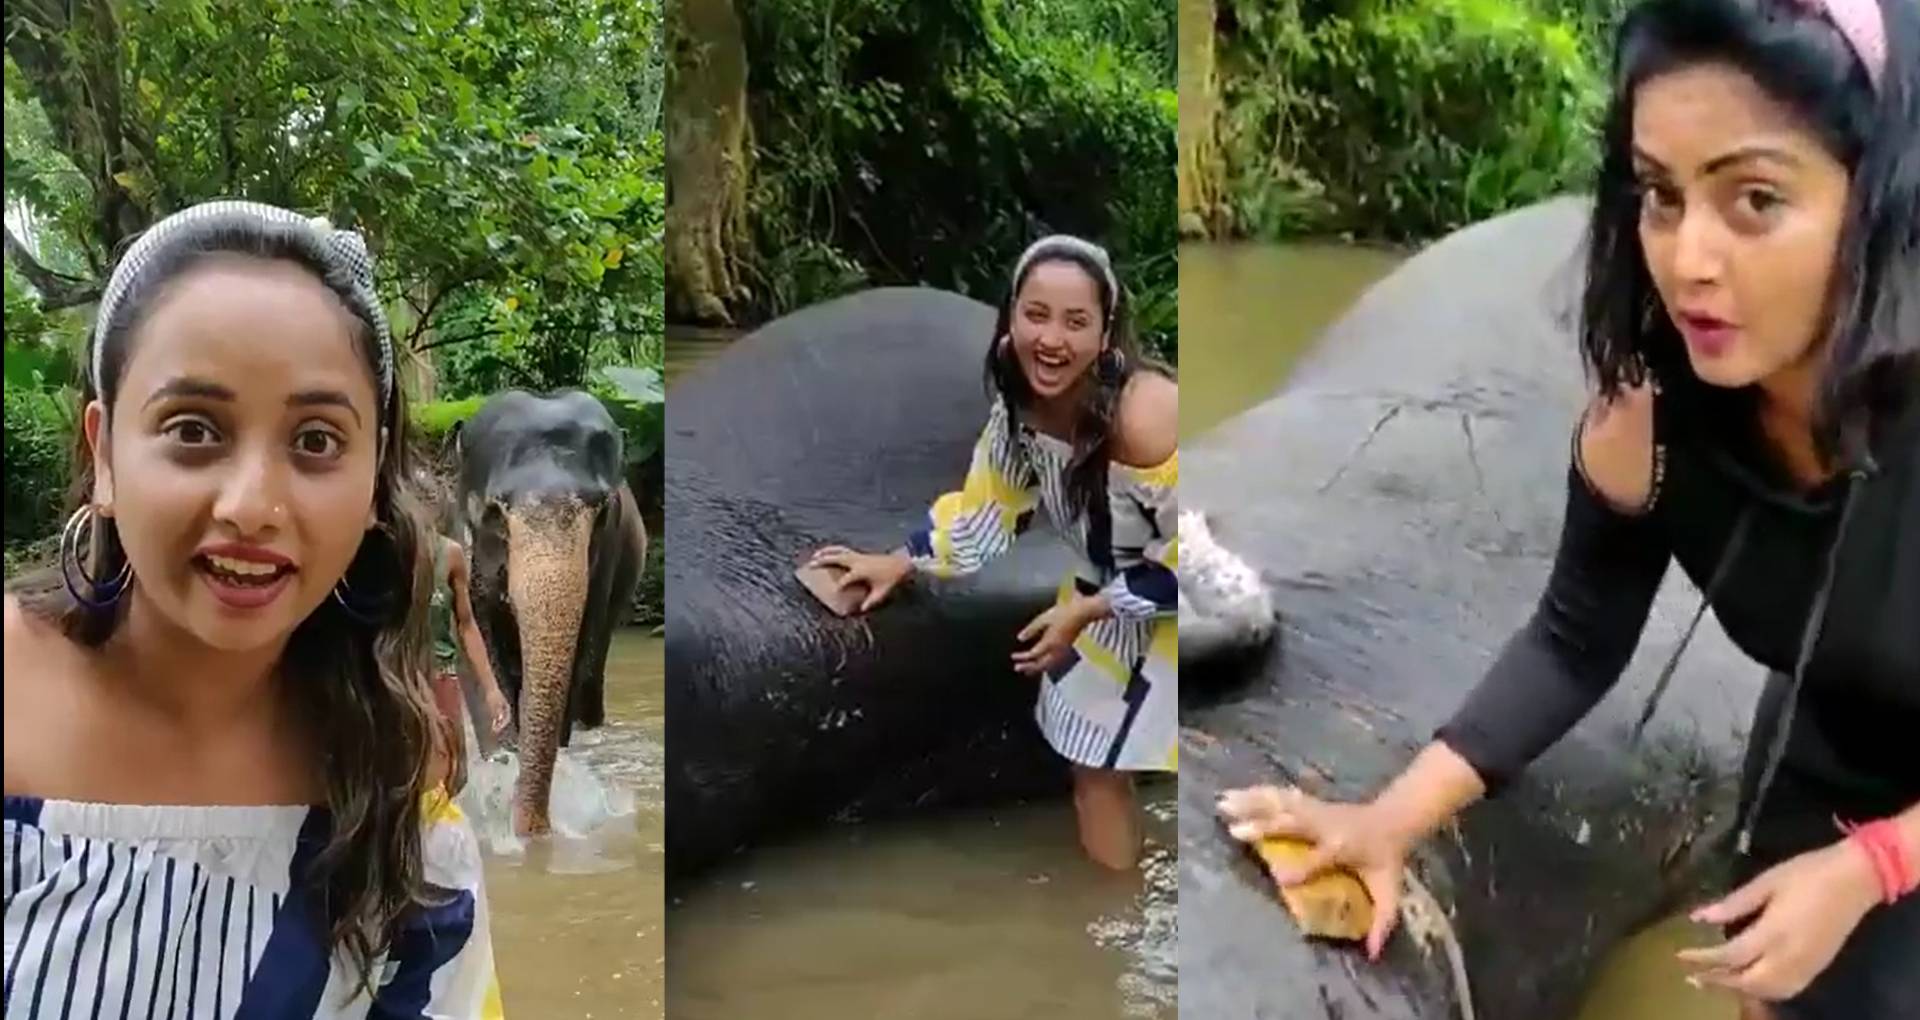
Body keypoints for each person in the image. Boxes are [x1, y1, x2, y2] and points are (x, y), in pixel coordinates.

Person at [1220, 1, 1917, 1017]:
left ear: (1878, 203)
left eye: (1755, 200)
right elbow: (1575, 640)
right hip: (1823, 757)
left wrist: (1873, 871)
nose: (1689, 260)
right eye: (1661, 197)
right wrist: (1389, 822)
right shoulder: (1649, 426)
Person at [2, 201, 503, 1015]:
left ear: (374, 484)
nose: (253, 505)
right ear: (105, 456)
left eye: (314, 442)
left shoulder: (401, 806)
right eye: (194, 429)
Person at [809, 235, 1179, 871]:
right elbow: (990, 508)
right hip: (1111, 594)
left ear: (1107, 334)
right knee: (1092, 764)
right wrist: (902, 560)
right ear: (1010, 316)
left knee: (1121, 756)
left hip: (1178, 590)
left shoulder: (1145, 416)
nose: (1052, 340)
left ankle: (1127, 920)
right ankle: (1115, 925)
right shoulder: (1019, 402)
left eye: (1075, 322)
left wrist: (1085, 616)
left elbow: (1191, 556)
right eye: (1036, 315)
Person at [427, 532, 512, 797]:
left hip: (442, 676)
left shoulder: (450, 554)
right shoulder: (384, 552)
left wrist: (491, 689)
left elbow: (466, 624)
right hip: (400, 676)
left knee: (455, 774)